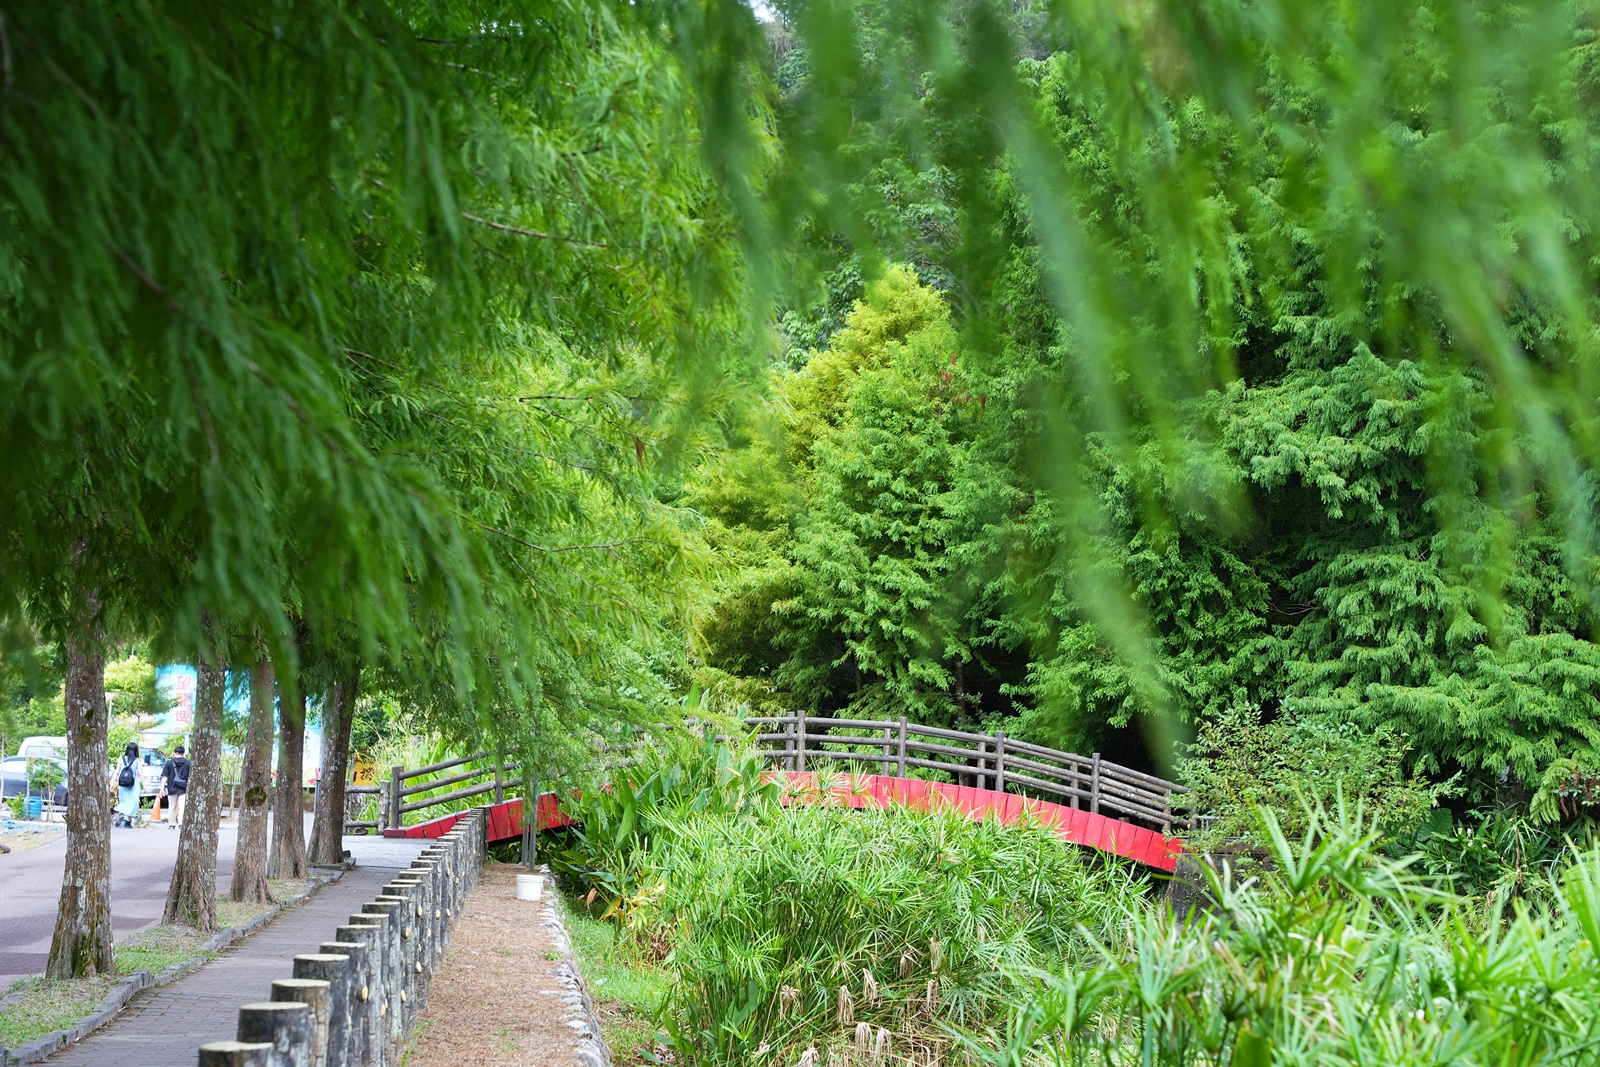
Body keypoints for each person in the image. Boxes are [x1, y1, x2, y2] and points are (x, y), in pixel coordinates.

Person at [160, 745, 191, 830]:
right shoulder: (188, 763)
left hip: (172, 788)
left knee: (172, 807)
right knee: (182, 807)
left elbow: (164, 777)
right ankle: (181, 824)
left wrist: (161, 789)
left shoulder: (169, 763)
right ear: (183, 754)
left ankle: (172, 824)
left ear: (174, 753)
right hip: (184, 788)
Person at [113, 741, 141, 828]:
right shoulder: (137, 760)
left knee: (124, 801)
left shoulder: (121, 759)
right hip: (133, 783)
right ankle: (128, 822)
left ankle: (122, 814)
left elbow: (117, 772)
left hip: (122, 783)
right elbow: (140, 773)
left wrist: (113, 782)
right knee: (133, 802)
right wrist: (145, 784)